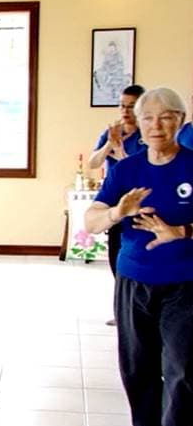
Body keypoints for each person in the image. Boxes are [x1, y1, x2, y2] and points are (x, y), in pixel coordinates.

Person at [85, 87, 193, 426]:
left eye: (166, 117)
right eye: (148, 118)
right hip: (134, 279)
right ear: (139, 123)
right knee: (136, 364)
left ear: (180, 121)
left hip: (184, 282)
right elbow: (92, 220)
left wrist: (181, 231)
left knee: (181, 368)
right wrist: (118, 211)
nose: (156, 126)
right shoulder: (126, 170)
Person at [87, 85, 146, 326]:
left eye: (131, 106)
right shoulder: (111, 133)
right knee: (116, 256)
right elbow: (93, 162)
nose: (125, 111)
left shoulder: (146, 136)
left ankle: (136, 309)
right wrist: (109, 145)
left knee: (136, 255)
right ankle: (122, 309)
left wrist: (120, 153)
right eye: (122, 105)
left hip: (139, 204)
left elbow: (139, 171)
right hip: (114, 205)